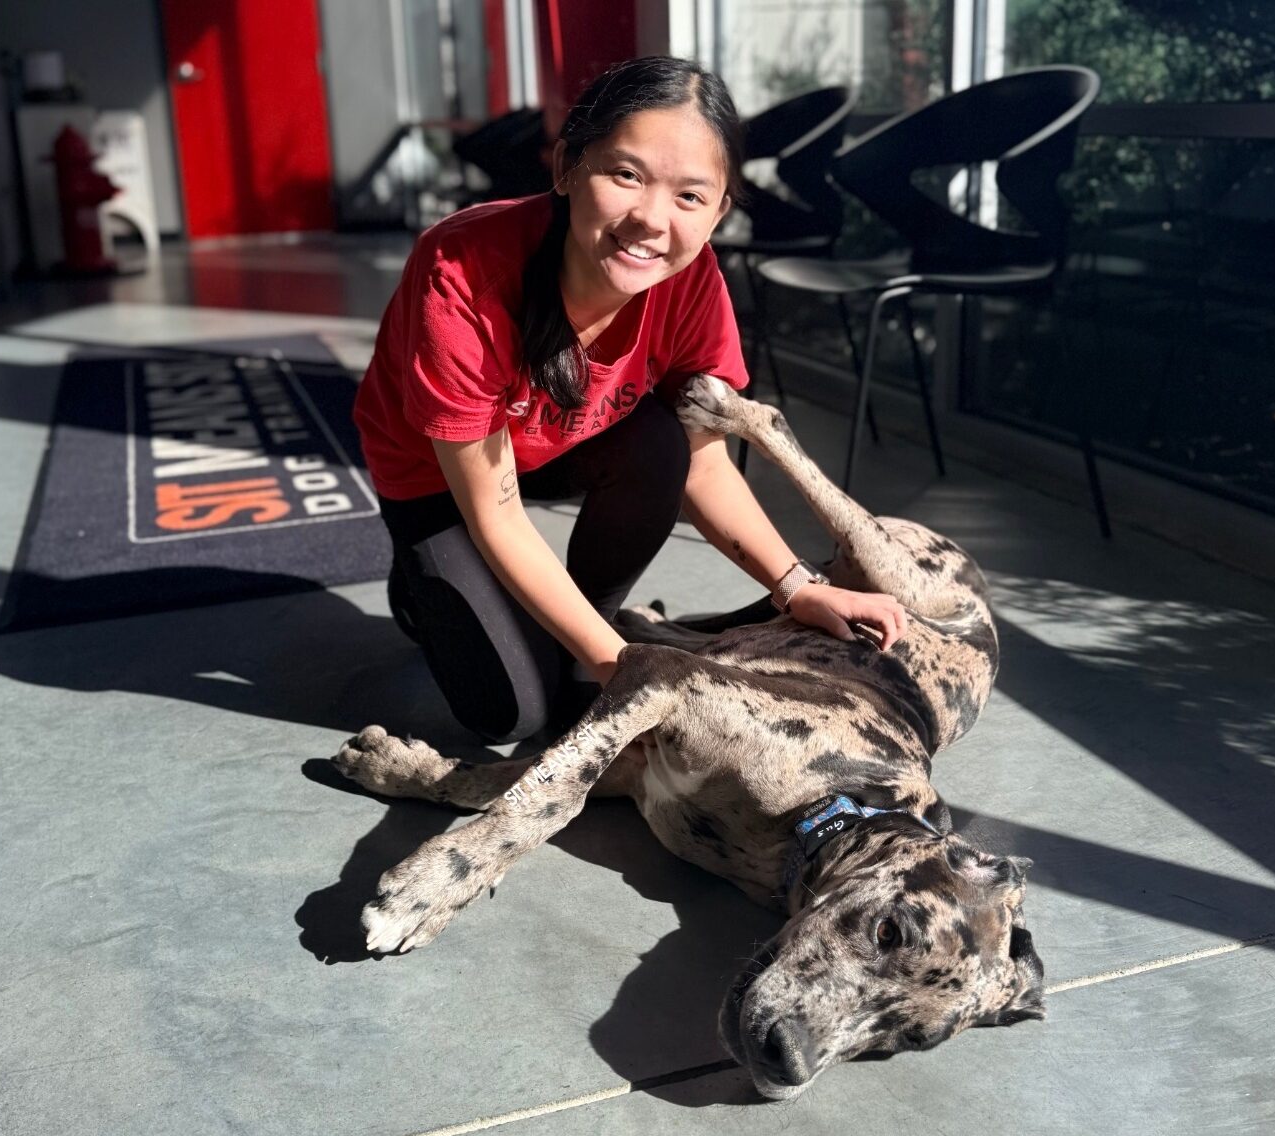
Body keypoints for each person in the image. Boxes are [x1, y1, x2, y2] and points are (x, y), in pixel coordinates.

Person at [354, 55, 907, 743]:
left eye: (690, 196)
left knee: (660, 444)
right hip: (439, 473)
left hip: (564, 438)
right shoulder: (462, 272)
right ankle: (423, 585)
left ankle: (586, 618)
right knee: (512, 716)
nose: (651, 219)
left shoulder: (694, 282)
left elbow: (704, 464)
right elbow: (495, 512)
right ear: (566, 169)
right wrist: (628, 670)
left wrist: (798, 587)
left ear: (719, 212)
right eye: (626, 174)